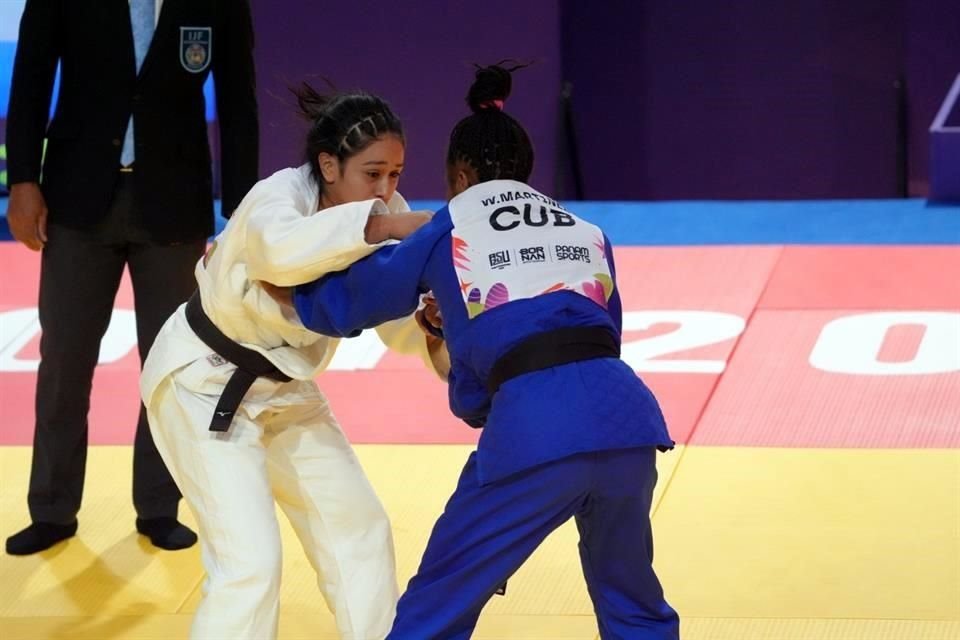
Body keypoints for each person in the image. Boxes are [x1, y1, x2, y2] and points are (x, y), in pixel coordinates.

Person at [293, 63, 681, 639]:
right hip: (630, 426)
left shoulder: (450, 226)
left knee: (437, 604)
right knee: (632, 601)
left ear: (458, 176)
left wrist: (283, 278)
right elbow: (598, 336)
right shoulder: (586, 231)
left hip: (537, 432)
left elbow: (348, 305)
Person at [139, 84, 439, 640]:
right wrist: (385, 227)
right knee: (249, 564)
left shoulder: (385, 215)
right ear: (328, 165)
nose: (386, 190)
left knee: (359, 529)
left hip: (286, 390)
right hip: (203, 383)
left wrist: (436, 332)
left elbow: (393, 312)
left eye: (395, 174)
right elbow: (280, 256)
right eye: (372, 173)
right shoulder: (276, 198)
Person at [5, 0, 259, 555]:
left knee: (170, 366)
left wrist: (240, 215)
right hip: (76, 201)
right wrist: (21, 179)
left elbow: (239, 101)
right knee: (65, 359)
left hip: (174, 205)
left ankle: (159, 506)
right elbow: (30, 78)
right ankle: (51, 508)